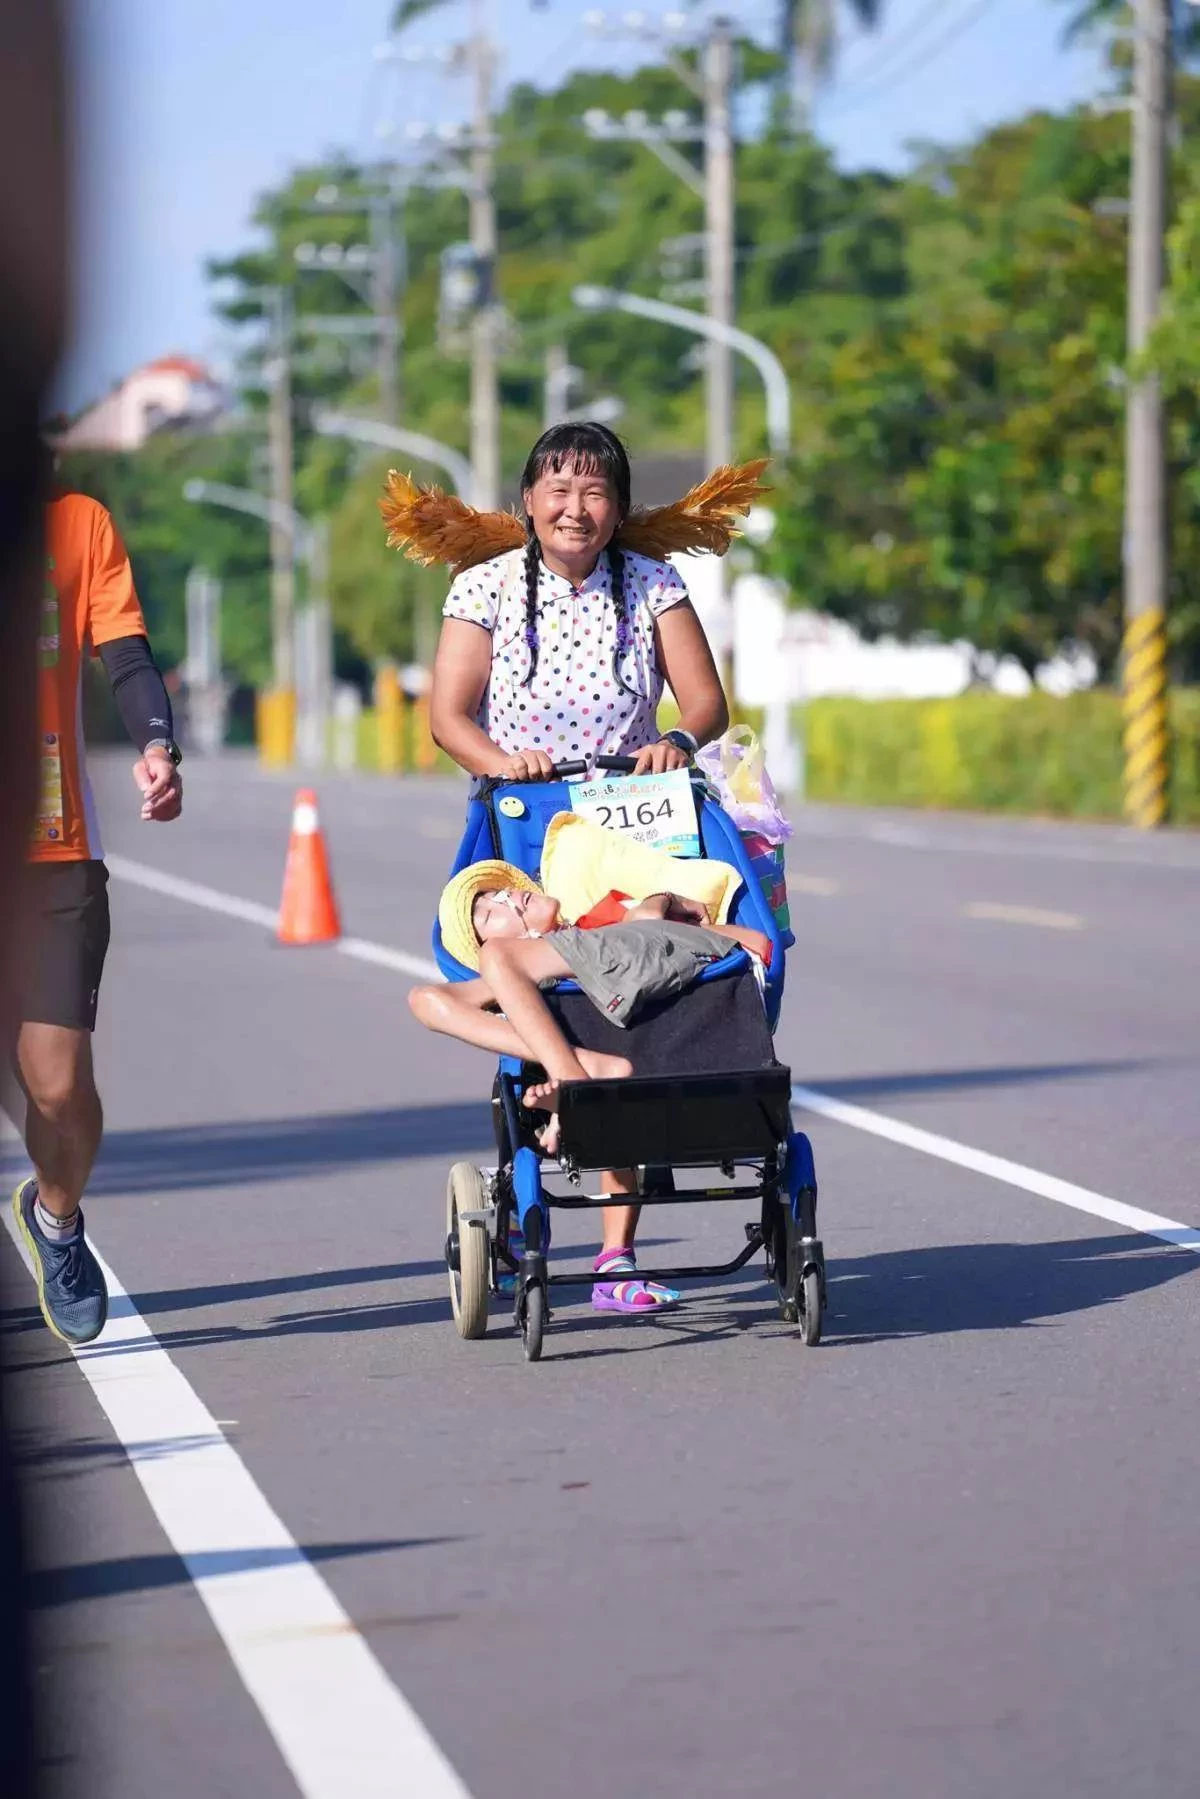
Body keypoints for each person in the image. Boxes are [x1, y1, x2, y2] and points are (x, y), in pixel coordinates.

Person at [382, 423, 768, 1308]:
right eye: (558, 489)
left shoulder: (654, 582)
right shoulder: (481, 586)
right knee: (520, 976)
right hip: (525, 818)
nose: (575, 508)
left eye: (595, 492)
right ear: (527, 501)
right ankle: (555, 1084)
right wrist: (494, 758)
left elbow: (703, 700)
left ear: (620, 508)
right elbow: (448, 715)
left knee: (638, 985)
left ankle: (616, 1255)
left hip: (641, 815)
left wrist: (675, 738)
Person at [410, 861, 771, 1313]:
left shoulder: (602, 918)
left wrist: (663, 902)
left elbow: (754, 943)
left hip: (663, 1014)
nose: (504, 897)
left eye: (500, 892)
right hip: (590, 1046)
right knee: (423, 997)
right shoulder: (516, 963)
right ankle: (580, 1071)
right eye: (486, 912)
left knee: (500, 962)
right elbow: (436, 1001)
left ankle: (574, 1080)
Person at [10, 476, 183, 1347]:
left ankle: (57, 1215)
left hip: (49, 851)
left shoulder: (75, 525)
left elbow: (125, 654)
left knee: (58, 1084)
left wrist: (157, 744)